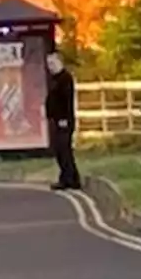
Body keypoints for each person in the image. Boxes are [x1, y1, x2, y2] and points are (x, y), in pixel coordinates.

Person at [45, 52, 81, 190]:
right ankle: (70, 178)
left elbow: (66, 101)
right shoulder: (55, 79)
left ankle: (69, 179)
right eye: (48, 64)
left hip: (64, 120)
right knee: (60, 151)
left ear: (60, 63)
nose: (50, 67)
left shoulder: (65, 79)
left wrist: (64, 119)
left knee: (64, 151)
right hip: (56, 120)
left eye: (52, 63)